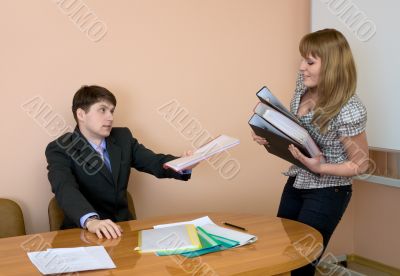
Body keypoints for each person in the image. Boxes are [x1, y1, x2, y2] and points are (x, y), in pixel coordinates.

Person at [252, 29, 369, 275]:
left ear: (332, 65)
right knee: (285, 253)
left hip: (328, 189)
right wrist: (270, 135)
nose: (302, 67)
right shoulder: (302, 85)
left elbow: (361, 164)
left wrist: (320, 167)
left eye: (310, 61)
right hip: (298, 180)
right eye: (302, 59)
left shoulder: (349, 108)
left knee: (302, 263)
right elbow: (299, 134)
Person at [46, 85, 195, 239]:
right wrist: (91, 221)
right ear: (81, 114)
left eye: (112, 111)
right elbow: (64, 188)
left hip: (123, 230)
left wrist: (183, 164)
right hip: (83, 233)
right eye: (102, 110)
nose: (110, 117)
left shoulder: (123, 137)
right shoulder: (60, 148)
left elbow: (154, 161)